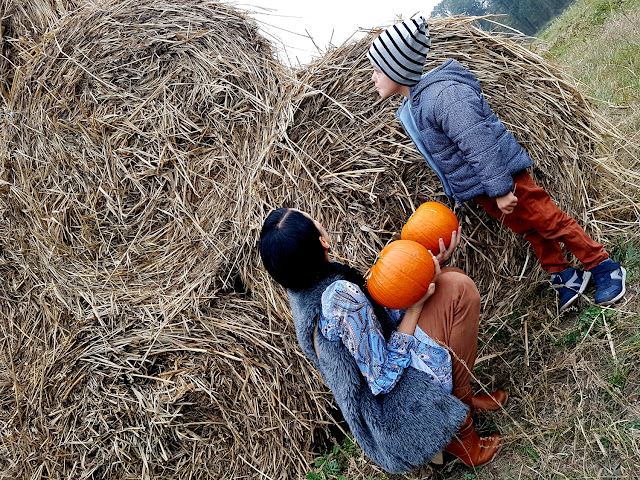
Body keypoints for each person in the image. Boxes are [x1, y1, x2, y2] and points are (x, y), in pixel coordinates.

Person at [367, 17, 626, 313]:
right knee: (530, 230)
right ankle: (565, 275)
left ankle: (603, 265)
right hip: (483, 188)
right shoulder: (415, 107)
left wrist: (502, 189)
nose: (373, 78)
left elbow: (478, 142)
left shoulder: (443, 95)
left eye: (376, 70)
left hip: (504, 178)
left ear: (396, 67)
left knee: (549, 221)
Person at [259, 207, 506, 472]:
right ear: (323, 242)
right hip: (395, 408)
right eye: (313, 220)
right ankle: (459, 430)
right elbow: (383, 377)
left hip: (387, 378)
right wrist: (415, 308)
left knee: (447, 278)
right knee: (459, 291)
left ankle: (463, 401)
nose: (317, 219)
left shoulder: (302, 283)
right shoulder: (339, 297)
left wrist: (424, 267)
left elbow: (374, 323)